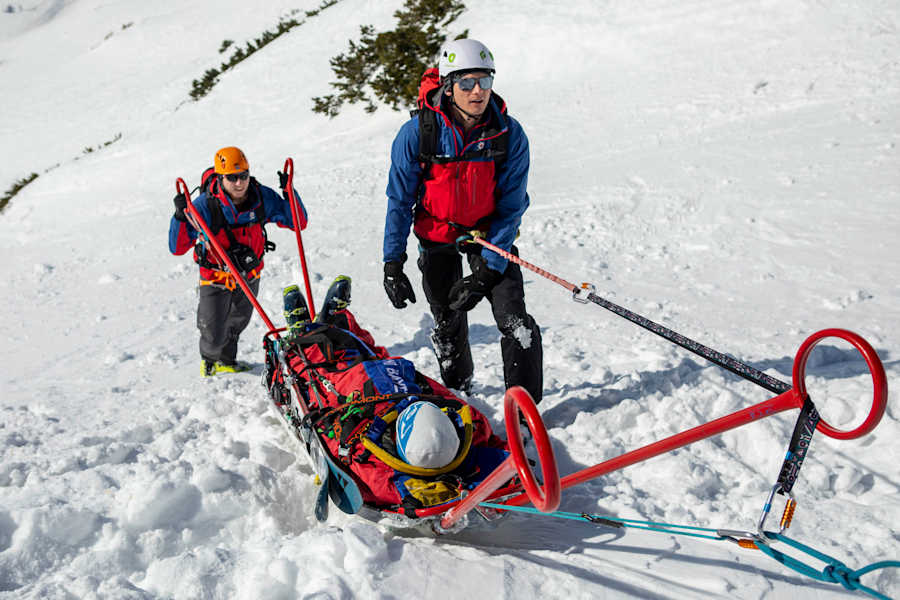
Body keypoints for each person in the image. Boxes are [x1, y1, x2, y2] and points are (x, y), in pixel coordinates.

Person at [382, 39, 543, 402]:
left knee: (516, 323)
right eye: (467, 83)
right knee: (448, 321)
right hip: (436, 236)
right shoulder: (419, 134)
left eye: (484, 82)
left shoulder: (508, 134)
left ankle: (526, 410)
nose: (477, 92)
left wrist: (487, 271)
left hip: (490, 237)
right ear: (448, 85)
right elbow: (399, 200)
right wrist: (393, 262)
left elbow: (511, 207)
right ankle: (460, 392)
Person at [168, 146, 308, 377]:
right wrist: (180, 216)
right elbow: (177, 247)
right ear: (221, 177)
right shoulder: (205, 205)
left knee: (238, 322)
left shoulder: (261, 197)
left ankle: (227, 361)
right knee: (212, 329)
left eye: (243, 175)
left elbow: (298, 221)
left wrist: (289, 191)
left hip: (249, 273)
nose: (239, 183)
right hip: (215, 277)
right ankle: (210, 363)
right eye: (231, 178)